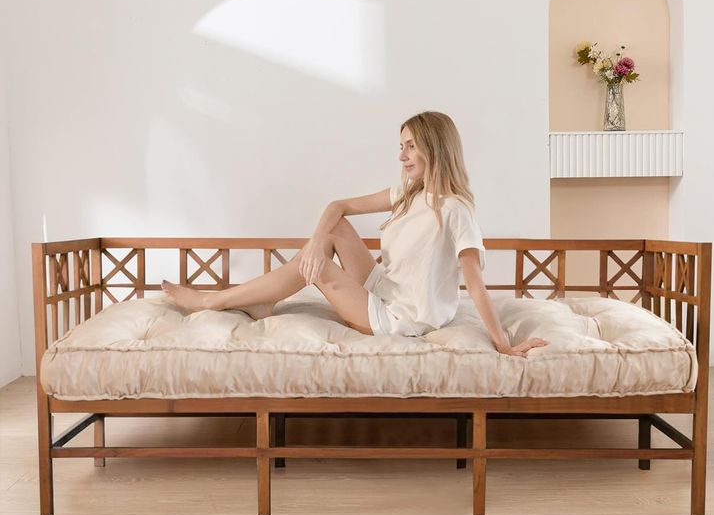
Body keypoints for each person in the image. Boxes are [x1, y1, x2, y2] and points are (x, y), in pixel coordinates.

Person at [162, 111, 547, 357]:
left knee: (318, 268)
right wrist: (316, 241)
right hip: (383, 286)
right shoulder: (408, 193)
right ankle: (260, 302)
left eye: (410, 146)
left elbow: (476, 286)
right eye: (401, 146)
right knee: (333, 231)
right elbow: (337, 207)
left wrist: (504, 345)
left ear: (435, 147)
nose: (402, 156)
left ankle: (211, 303)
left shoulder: (455, 209)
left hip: (401, 315)